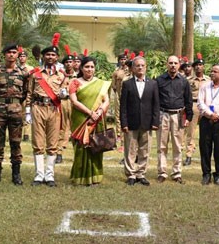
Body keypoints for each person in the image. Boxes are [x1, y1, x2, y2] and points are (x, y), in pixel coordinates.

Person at [25, 34, 70, 187]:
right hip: (38, 107)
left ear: (57, 57)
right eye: (48, 54)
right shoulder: (35, 74)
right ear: (43, 56)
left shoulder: (62, 75)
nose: (50, 57)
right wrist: (27, 111)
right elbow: (29, 93)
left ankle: (49, 175)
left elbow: (64, 91)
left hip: (54, 109)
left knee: (52, 142)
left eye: (53, 55)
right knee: (37, 142)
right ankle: (39, 175)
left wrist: (64, 94)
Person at [0, 45, 29, 186]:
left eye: (14, 52)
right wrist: (1, 102)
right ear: (4, 55)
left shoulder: (23, 73)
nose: (11, 55)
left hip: (16, 111)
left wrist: (15, 103)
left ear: (18, 55)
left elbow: (26, 92)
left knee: (15, 142)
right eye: (8, 52)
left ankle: (16, 174)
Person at [68, 56, 111, 186]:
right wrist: (90, 113)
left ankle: (96, 177)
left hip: (97, 120)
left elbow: (106, 100)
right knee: (81, 148)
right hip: (81, 119)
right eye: (87, 67)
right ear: (81, 68)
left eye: (92, 67)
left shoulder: (101, 83)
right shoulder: (75, 82)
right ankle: (80, 177)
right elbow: (74, 101)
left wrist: (99, 112)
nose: (89, 69)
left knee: (96, 146)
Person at [120, 56, 159, 186]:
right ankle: (131, 174)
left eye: (142, 65)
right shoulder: (127, 84)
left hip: (147, 122)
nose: (140, 67)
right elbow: (123, 106)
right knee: (130, 150)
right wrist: (123, 123)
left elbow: (156, 105)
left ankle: (141, 173)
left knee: (145, 150)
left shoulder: (153, 84)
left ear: (146, 67)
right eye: (137, 65)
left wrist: (155, 122)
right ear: (132, 68)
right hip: (131, 122)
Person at [156, 55, 193, 184]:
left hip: (178, 116)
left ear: (179, 65)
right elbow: (155, 100)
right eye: (170, 63)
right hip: (163, 115)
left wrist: (189, 117)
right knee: (162, 146)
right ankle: (162, 172)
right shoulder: (159, 80)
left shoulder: (183, 81)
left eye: (175, 63)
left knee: (178, 146)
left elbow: (188, 100)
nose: (173, 65)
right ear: (167, 64)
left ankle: (177, 173)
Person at [185, 53, 209, 166]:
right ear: (194, 67)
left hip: (206, 106)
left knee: (206, 133)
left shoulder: (209, 80)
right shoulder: (188, 80)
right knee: (191, 132)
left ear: (203, 67)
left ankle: (205, 155)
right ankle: (189, 155)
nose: (198, 67)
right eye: (196, 65)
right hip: (193, 105)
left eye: (200, 65)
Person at [57, 46, 77, 164]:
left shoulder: (78, 76)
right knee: (62, 127)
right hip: (64, 102)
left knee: (75, 127)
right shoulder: (60, 76)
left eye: (71, 62)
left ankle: (77, 151)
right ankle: (59, 152)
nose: (69, 64)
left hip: (74, 103)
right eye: (67, 62)